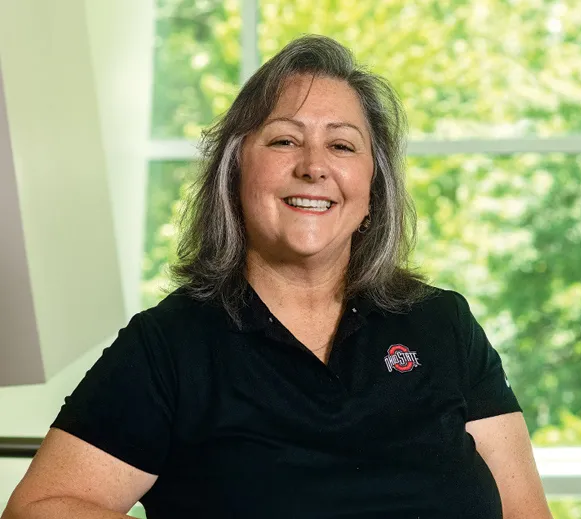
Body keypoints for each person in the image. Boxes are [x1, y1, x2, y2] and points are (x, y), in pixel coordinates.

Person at [2, 35, 553, 519]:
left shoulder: (443, 324)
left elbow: (525, 513)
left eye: (341, 145)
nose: (314, 166)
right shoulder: (170, 347)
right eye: (285, 140)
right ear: (236, 170)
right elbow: (38, 509)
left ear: (371, 190)